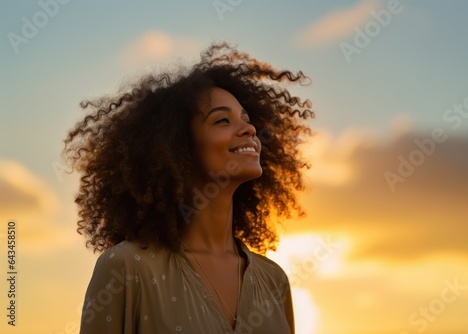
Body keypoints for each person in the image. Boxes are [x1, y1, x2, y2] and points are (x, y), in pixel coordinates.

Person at [64, 42, 315, 334]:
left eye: (247, 120)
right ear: (176, 146)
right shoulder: (127, 267)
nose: (249, 130)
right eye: (223, 120)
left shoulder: (273, 280)